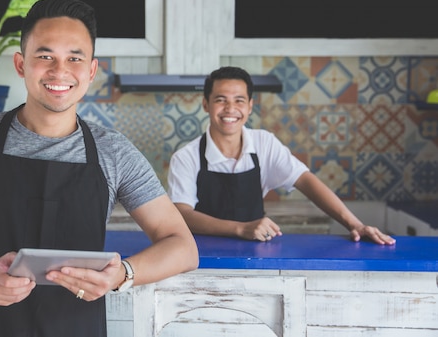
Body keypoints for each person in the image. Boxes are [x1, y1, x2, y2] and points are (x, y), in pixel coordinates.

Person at [0, 0, 199, 337]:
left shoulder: (115, 152)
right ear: (21, 64)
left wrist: (122, 274)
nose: (59, 71)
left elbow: (182, 246)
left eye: (74, 58)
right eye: (44, 56)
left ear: (91, 70)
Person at [167, 65, 396, 245]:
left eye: (239, 100)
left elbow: (306, 180)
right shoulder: (186, 157)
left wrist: (355, 225)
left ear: (250, 106)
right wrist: (240, 228)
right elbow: (182, 214)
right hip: (200, 253)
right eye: (220, 100)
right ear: (206, 104)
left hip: (257, 249)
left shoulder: (264, 143)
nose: (230, 109)